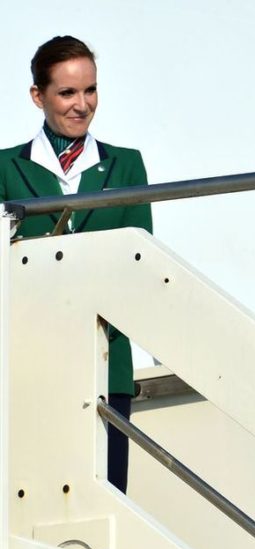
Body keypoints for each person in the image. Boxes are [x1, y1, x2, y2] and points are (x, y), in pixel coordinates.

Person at [0, 35, 153, 494]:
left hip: (107, 362)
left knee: (106, 499)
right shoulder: (6, 169)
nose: (82, 105)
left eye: (90, 90)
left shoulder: (125, 166)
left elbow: (138, 262)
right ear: (37, 96)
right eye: (67, 92)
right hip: (27, 360)